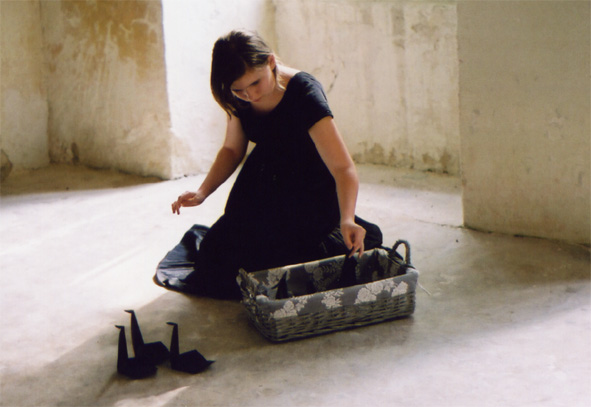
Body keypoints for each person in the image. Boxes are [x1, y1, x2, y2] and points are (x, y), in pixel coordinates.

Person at [166, 29, 382, 299]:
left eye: (255, 83)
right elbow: (232, 149)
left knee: (284, 263)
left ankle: (346, 228)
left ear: (270, 62)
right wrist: (202, 192)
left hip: (308, 185)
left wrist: (347, 218)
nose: (249, 95)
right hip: (263, 179)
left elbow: (343, 167)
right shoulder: (237, 96)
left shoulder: (304, 92)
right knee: (216, 258)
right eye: (238, 90)